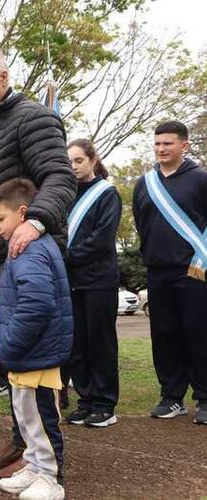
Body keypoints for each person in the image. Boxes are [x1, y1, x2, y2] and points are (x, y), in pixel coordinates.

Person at [0, 48, 76, 475]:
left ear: (4, 77)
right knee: (12, 356)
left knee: (33, 358)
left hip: (25, 252)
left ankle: (43, 457)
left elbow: (60, 178)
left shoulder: (34, 118)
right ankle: (26, 446)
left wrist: (38, 223)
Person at [0, 179, 72, 500]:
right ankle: (35, 467)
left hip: (37, 356)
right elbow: (11, 304)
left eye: (0, 219)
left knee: (42, 419)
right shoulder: (22, 249)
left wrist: (6, 344)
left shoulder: (31, 251)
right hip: (26, 356)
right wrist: (0, 335)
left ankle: (50, 477)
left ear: (22, 213)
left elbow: (36, 306)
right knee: (26, 417)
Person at [132, 121, 207, 425]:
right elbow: (142, 223)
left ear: (184, 146)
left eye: (168, 144)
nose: (162, 149)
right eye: (158, 143)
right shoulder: (144, 184)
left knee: (198, 333)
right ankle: (171, 396)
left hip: (195, 270)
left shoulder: (201, 180)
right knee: (163, 335)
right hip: (158, 270)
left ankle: (204, 397)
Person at [62, 139, 122, 428]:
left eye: (78, 160)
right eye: (69, 161)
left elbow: (101, 238)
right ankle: (85, 401)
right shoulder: (65, 194)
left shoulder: (107, 194)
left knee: (101, 343)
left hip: (99, 280)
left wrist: (68, 256)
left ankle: (105, 404)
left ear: (93, 160)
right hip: (72, 281)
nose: (73, 166)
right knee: (78, 345)